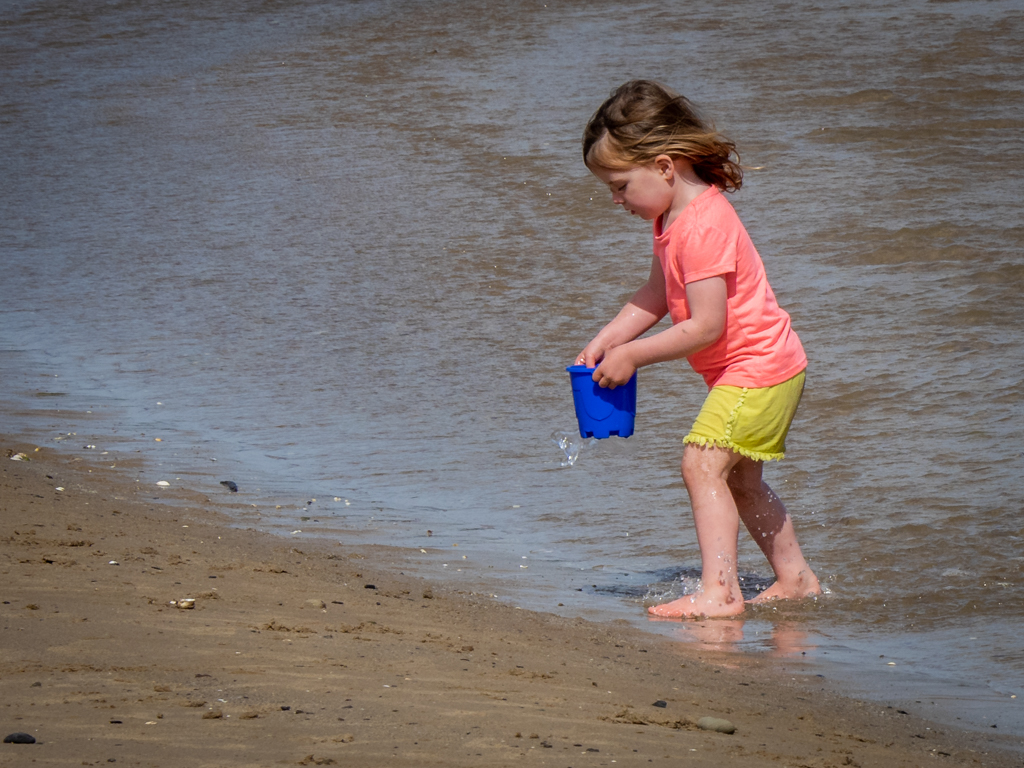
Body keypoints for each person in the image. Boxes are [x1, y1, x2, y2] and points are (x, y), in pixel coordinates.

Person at [576, 80, 821, 618]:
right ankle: (797, 578)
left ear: (664, 166)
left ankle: (722, 593)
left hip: (758, 367)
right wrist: (607, 340)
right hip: (762, 366)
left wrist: (634, 356)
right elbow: (658, 292)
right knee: (738, 477)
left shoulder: (704, 225)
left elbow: (707, 325)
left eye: (619, 186)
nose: (616, 201)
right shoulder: (671, 218)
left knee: (700, 465)